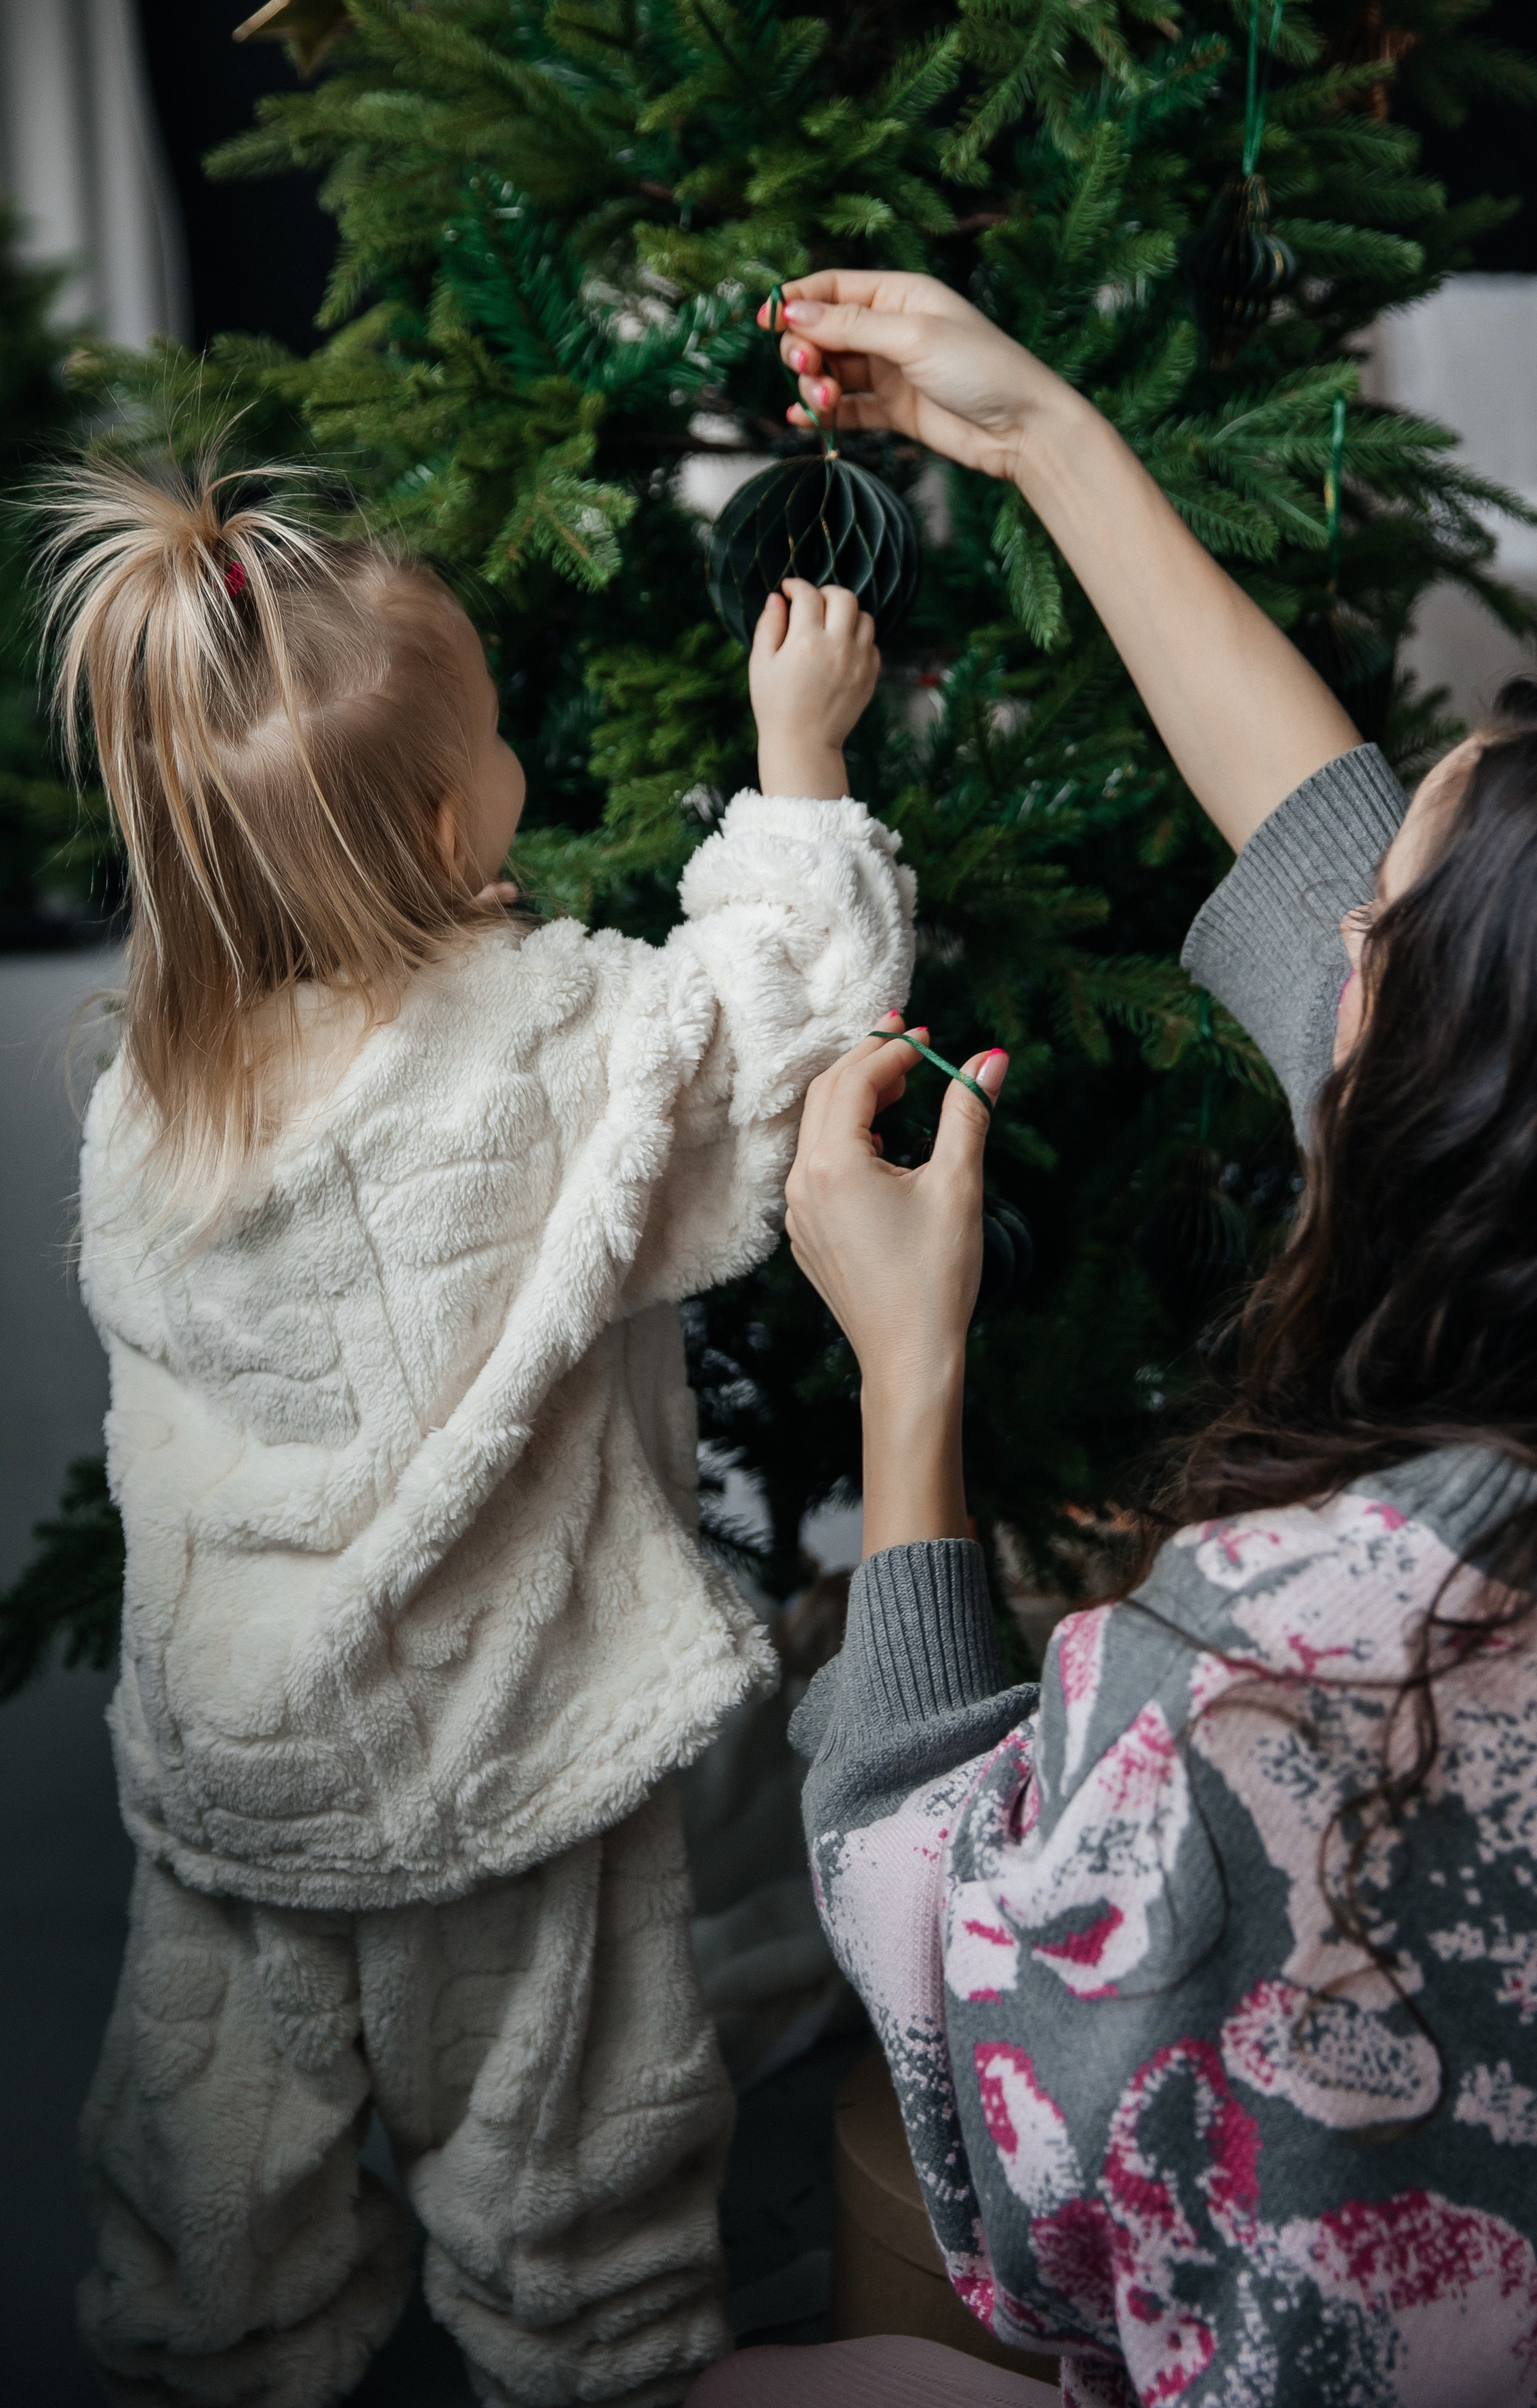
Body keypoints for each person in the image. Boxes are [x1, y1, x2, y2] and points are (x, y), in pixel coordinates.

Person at [698, 273, 1537, 2405]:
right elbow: (1315, 826)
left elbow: (963, 2031)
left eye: (1382, 938)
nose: (1337, 931)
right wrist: (1037, 428)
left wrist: (911, 1369)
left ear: (1455, 1096)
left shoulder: (1260, 1678)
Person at [41, 455, 913, 2408]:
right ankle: (597, 2361)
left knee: (218, 2181)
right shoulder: (549, 1043)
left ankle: (217, 2355)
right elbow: (769, 1038)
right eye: (504, 734)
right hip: (511, 1763)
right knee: (570, 2176)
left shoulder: (150, 1096)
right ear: (450, 824)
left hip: (241, 1779)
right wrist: (799, 760)